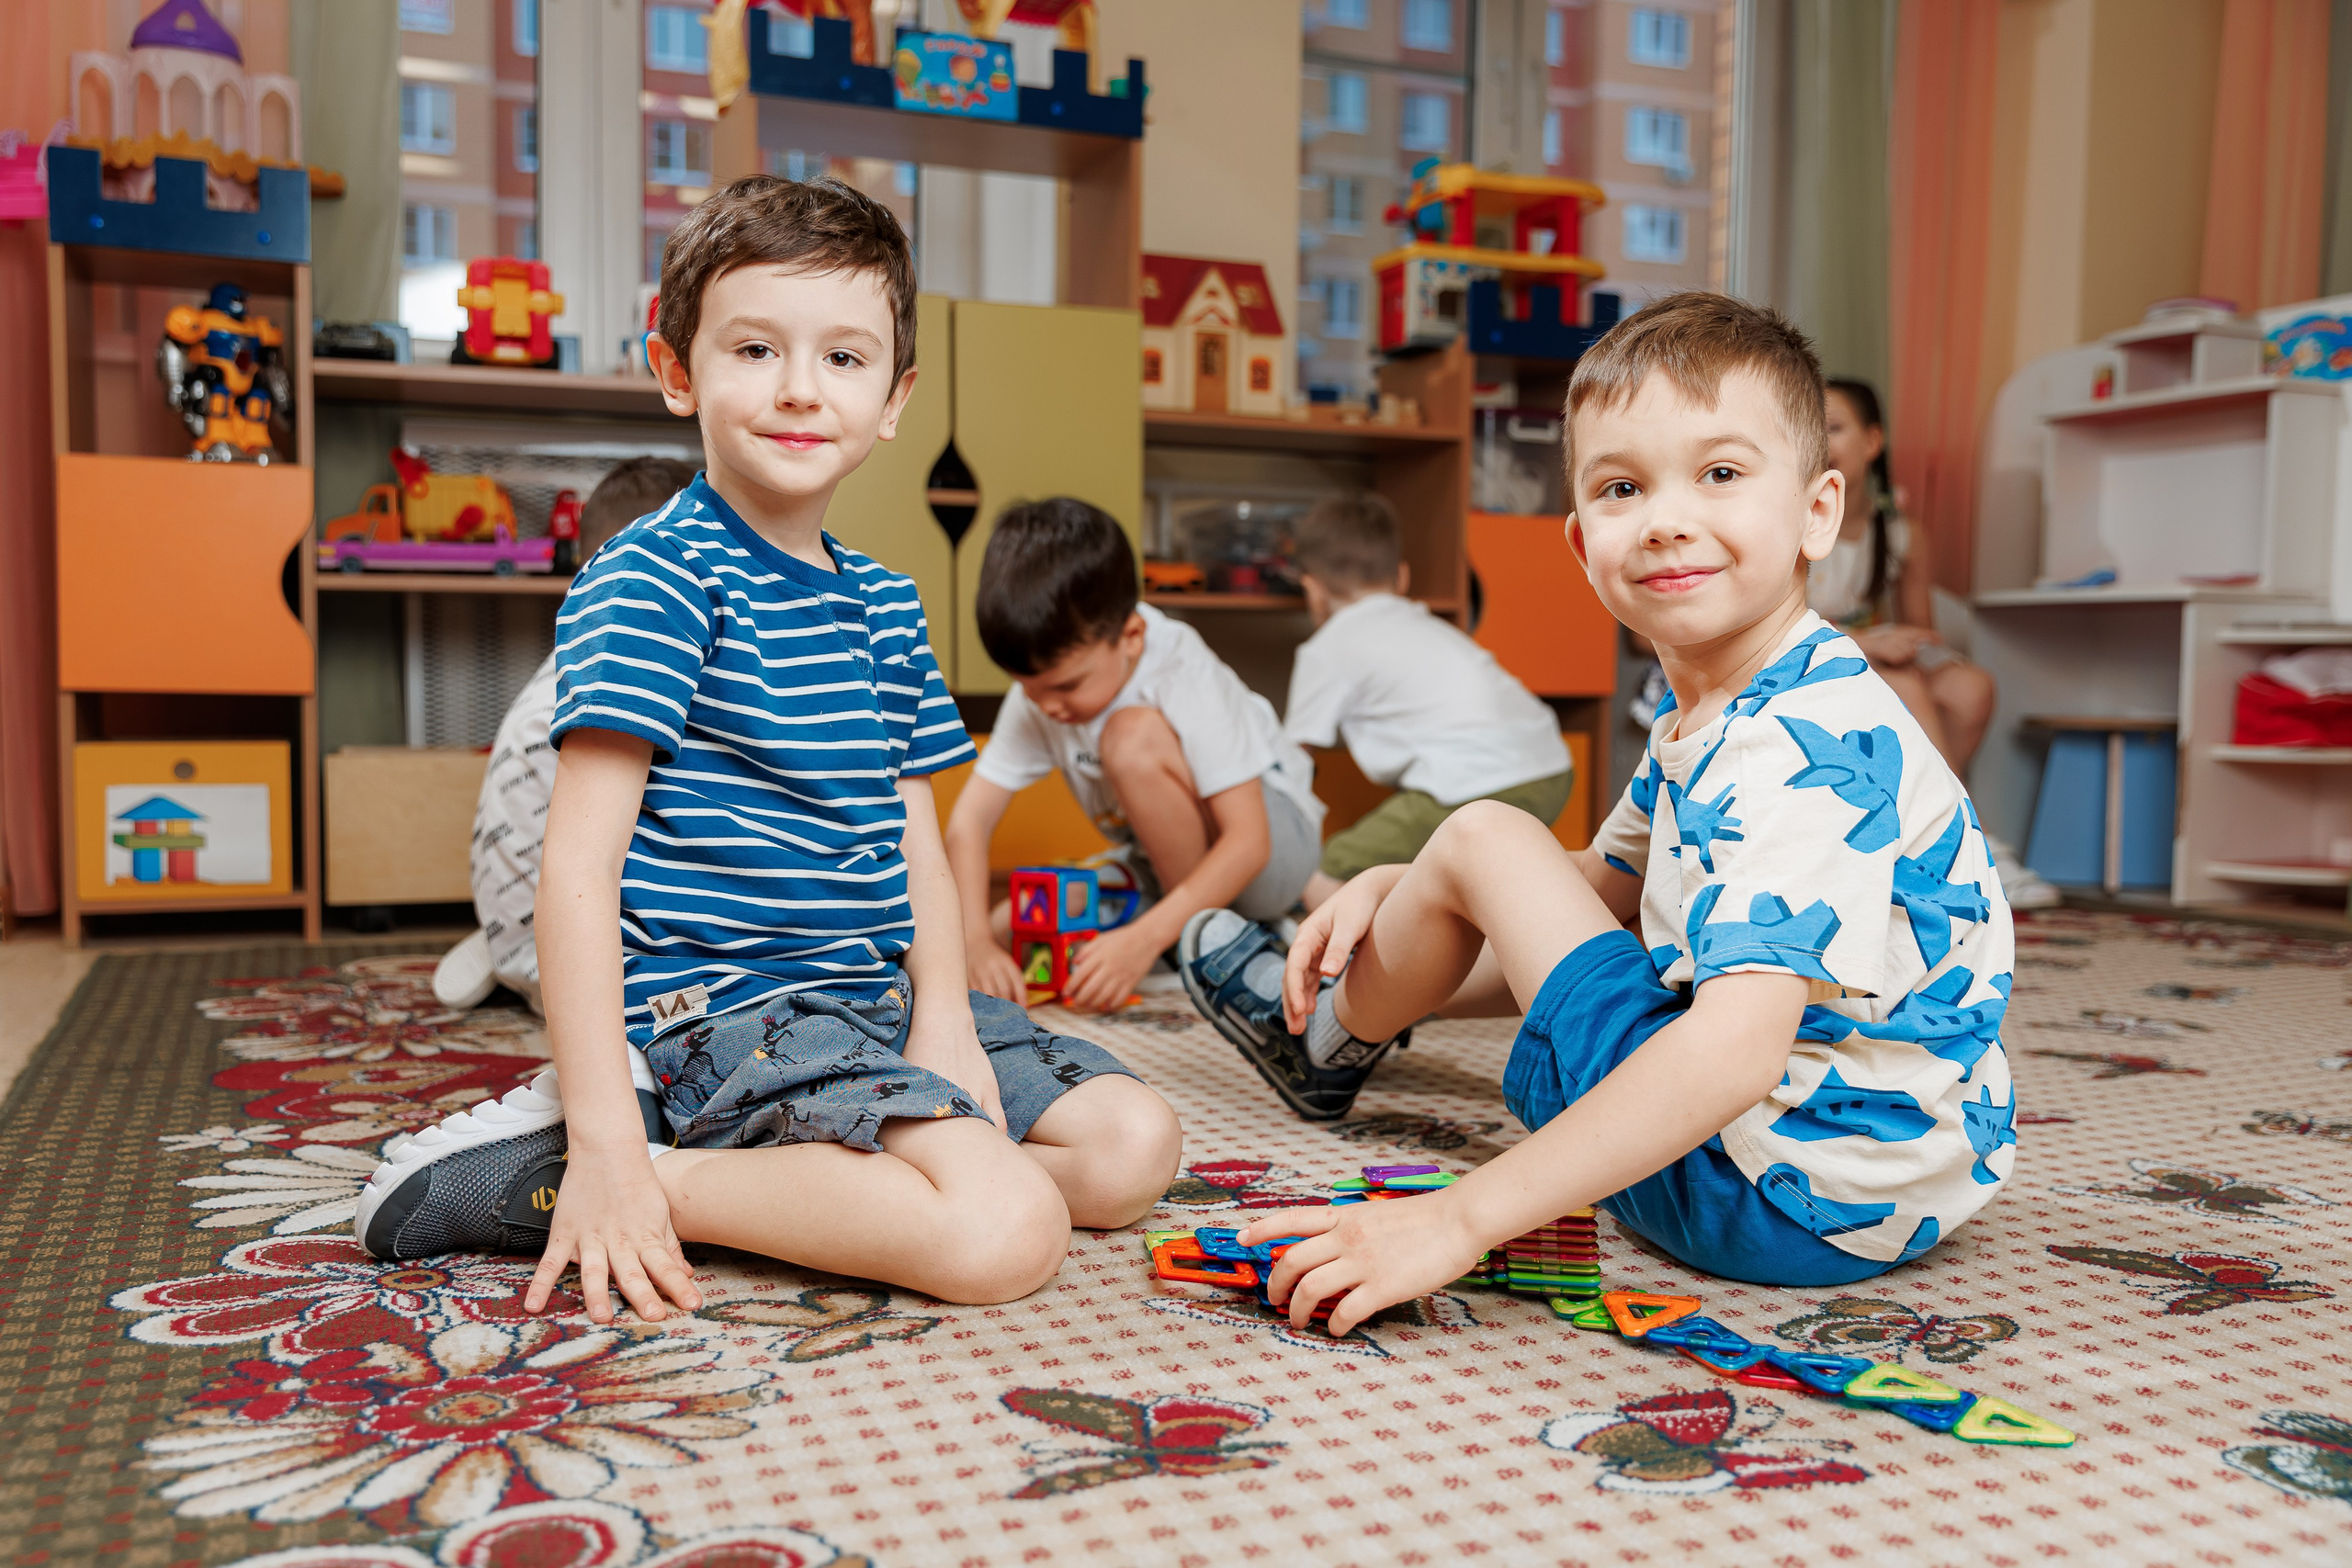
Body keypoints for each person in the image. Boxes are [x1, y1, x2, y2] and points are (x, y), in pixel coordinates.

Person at [356, 176, 1182, 1325]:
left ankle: (779, 1170)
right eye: (755, 349)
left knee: (1133, 1148)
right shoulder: (654, 579)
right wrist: (607, 1144)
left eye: (843, 358)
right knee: (1007, 1231)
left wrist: (944, 1017)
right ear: (677, 371)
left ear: (893, 398)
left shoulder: (888, 603)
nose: (801, 387)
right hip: (725, 1013)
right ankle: (618, 1170)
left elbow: (913, 837)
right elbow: (577, 869)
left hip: (867, 1001)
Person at [1178, 293, 2017, 1336]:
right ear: (1581, 543)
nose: (1666, 519)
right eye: (1624, 487)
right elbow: (1590, 895)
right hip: (1888, 1184)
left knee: (1485, 832)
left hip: (1768, 1191)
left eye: (1720, 473)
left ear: (1817, 512)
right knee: (1487, 855)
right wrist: (1398, 886)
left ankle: (1317, 1037)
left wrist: (1456, 1219)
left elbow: (1736, 1050)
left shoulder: (1790, 745)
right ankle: (1341, 1015)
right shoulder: (1735, 700)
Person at [944, 499, 1326, 1014]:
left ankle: (1222, 937)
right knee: (1003, 925)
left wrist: (1142, 941)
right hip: (1160, 863)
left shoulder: (1179, 667)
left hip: (1271, 855)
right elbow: (969, 824)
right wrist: (973, 943)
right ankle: (1188, 930)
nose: (1045, 706)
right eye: (1027, 687)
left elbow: (1249, 841)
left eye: (1066, 686)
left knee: (1129, 737)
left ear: (1131, 636)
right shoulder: (1043, 691)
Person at [431, 456, 701, 1014]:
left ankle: (506, 940)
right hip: (575, 958)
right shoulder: (629, 676)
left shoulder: (571, 661)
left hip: (520, 906)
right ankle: (531, 953)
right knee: (721, 1004)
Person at [1815, 380, 2054, 908]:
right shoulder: (1794, 520)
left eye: (1834, 427)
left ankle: (1917, 834)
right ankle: (1968, 844)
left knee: (1969, 688)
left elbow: (1920, 627)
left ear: (1873, 441)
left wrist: (1904, 644)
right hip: (1811, 653)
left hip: (1866, 652)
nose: (1821, 440)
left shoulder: (1899, 533)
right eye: (1811, 428)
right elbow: (1779, 621)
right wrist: (1868, 642)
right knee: (1903, 685)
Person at [1283, 491, 1574, 911]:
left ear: (1311, 589)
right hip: (1552, 771)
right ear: (1402, 578)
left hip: (1474, 783)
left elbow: (1292, 760)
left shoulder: (1327, 649)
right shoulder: (1428, 626)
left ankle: (1331, 957)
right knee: (1460, 879)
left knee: (1331, 872)